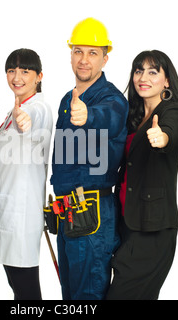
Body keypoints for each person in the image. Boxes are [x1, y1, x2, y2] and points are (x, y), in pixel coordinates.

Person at [50, 17, 129, 300]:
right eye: (78, 51)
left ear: (105, 58)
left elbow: (109, 118)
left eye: (93, 53)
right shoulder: (64, 102)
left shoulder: (113, 100)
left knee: (89, 296)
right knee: (69, 295)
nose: (84, 60)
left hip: (94, 215)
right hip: (67, 212)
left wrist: (88, 116)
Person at [106, 50, 178, 300]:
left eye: (153, 71)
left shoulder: (173, 110)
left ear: (167, 81)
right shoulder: (132, 116)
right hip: (125, 223)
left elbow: (173, 130)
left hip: (152, 230)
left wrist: (162, 137)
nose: (143, 77)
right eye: (138, 70)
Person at [0, 48, 53, 300]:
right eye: (11, 70)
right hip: (6, 213)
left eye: (25, 71)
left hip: (22, 215)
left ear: (38, 76)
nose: (17, 77)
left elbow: (31, 118)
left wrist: (25, 120)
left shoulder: (39, 107)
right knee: (17, 287)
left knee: (27, 291)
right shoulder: (12, 111)